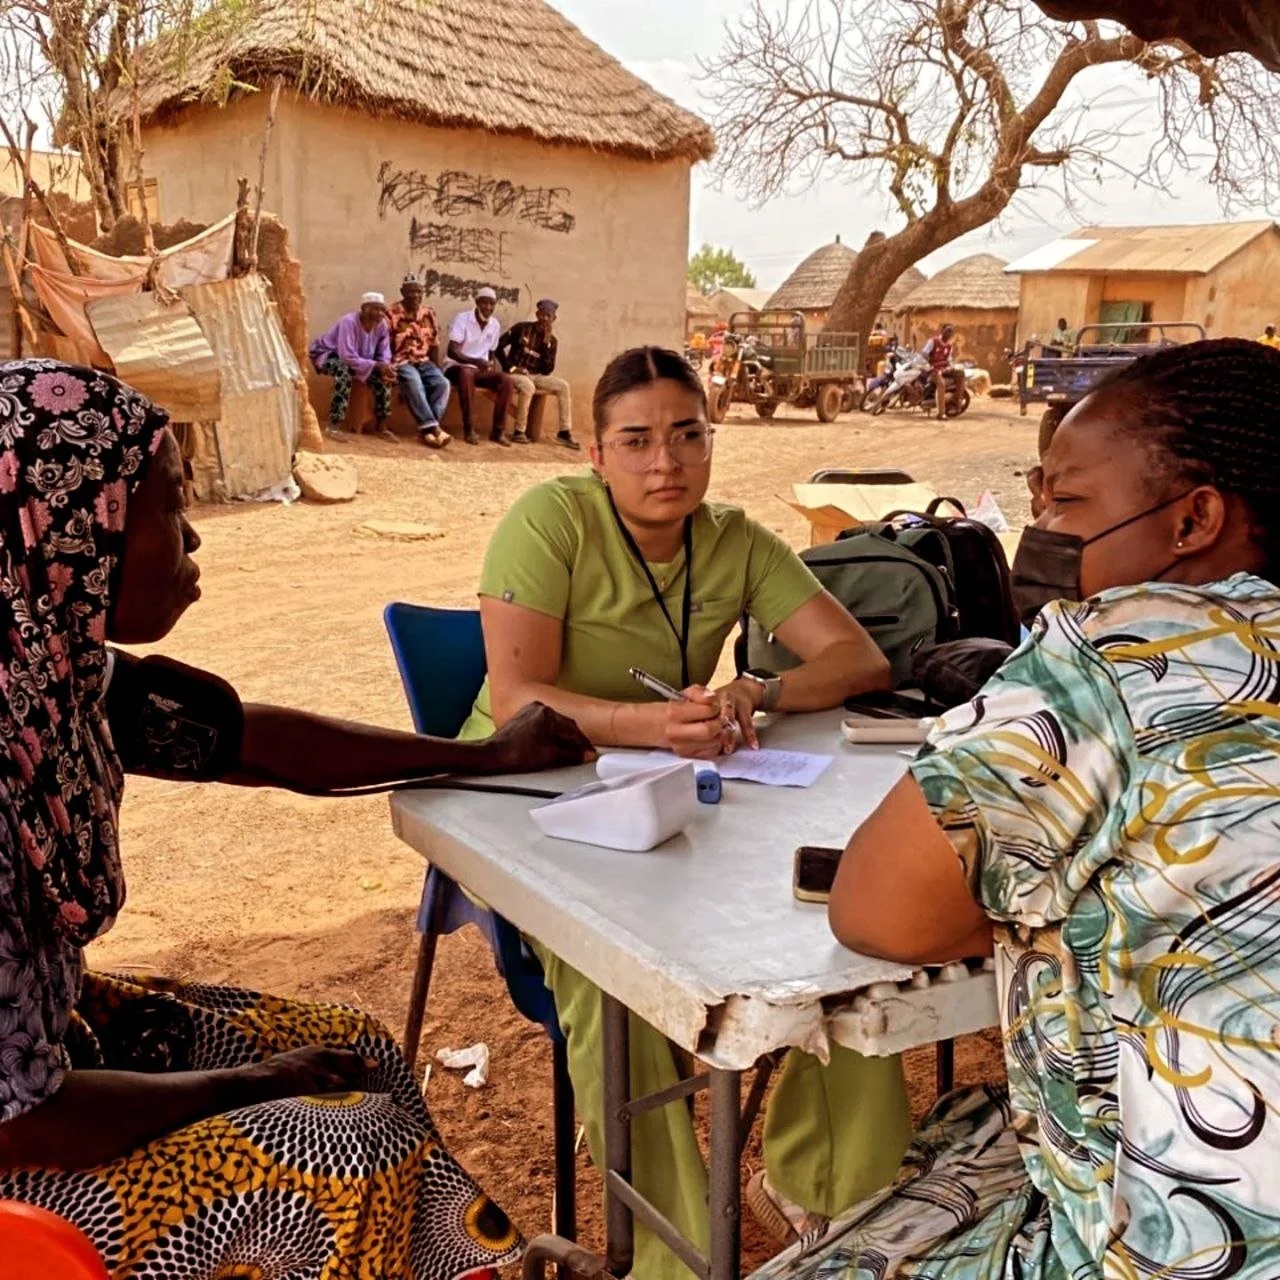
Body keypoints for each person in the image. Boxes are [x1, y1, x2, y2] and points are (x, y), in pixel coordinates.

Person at [0, 359, 595, 1276]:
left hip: (51, 1045)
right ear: (69, 530)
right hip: (22, 1163)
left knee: (359, 1053)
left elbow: (251, 743)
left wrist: (481, 757)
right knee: (347, 1153)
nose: (192, 536)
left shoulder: (44, 676)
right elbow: (21, 1124)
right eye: (162, 507)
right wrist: (242, 1085)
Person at [762, 337, 1280, 1280]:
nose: (1039, 527)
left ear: (1194, 519)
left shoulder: (1115, 656)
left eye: (1068, 500)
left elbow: (878, 913)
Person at [459, 346, 911, 1280]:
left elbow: (859, 661)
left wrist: (756, 688)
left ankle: (826, 1188)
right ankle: (670, 1255)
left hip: (670, 789)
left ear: (712, 441)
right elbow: (516, 700)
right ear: (596, 453)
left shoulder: (735, 538)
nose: (665, 462)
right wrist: (650, 723)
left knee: (837, 914)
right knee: (603, 969)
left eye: (687, 435)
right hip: (529, 786)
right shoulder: (551, 522)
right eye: (636, 440)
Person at [309, 292, 394, 441]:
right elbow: (346, 356)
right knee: (343, 371)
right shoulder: (349, 322)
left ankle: (382, 426)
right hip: (328, 356)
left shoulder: (382, 325)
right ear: (364, 309)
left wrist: (385, 366)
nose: (380, 313)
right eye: (375, 309)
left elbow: (384, 352)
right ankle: (334, 425)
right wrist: (376, 365)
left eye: (382, 309)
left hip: (361, 361)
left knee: (384, 377)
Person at [496, 298, 580, 450]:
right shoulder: (522, 328)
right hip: (516, 374)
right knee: (528, 386)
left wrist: (546, 345)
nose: (545, 319)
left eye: (549, 316)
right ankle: (519, 431)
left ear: (554, 319)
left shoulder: (552, 341)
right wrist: (511, 368)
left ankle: (564, 432)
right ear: (537, 314)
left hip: (536, 376)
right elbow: (498, 346)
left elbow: (547, 370)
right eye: (542, 315)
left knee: (563, 386)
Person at [445, 287, 515, 447]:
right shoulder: (462, 318)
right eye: (484, 303)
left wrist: (488, 366)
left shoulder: (495, 325)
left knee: (506, 380)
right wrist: (476, 362)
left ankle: (498, 431)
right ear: (477, 303)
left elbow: (490, 353)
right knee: (467, 373)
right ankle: (469, 429)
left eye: (492, 304)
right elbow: (452, 350)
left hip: (478, 371)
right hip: (456, 367)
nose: (488, 307)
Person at [388, 273, 451, 449]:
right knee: (414, 382)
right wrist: (389, 368)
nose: (415, 295)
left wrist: (436, 368)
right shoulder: (391, 313)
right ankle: (435, 430)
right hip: (401, 361)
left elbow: (435, 343)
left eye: (418, 292)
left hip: (424, 361)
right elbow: (385, 343)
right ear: (402, 292)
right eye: (410, 292)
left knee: (443, 384)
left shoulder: (429, 313)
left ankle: (427, 431)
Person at [920, 322, 964, 420]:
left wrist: (951, 367)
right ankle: (941, 413)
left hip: (944, 369)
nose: (949, 334)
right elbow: (924, 354)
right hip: (933, 369)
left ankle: (956, 402)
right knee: (941, 383)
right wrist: (929, 367)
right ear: (942, 331)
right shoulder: (933, 341)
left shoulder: (949, 346)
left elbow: (949, 359)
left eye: (951, 332)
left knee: (961, 374)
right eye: (947, 331)